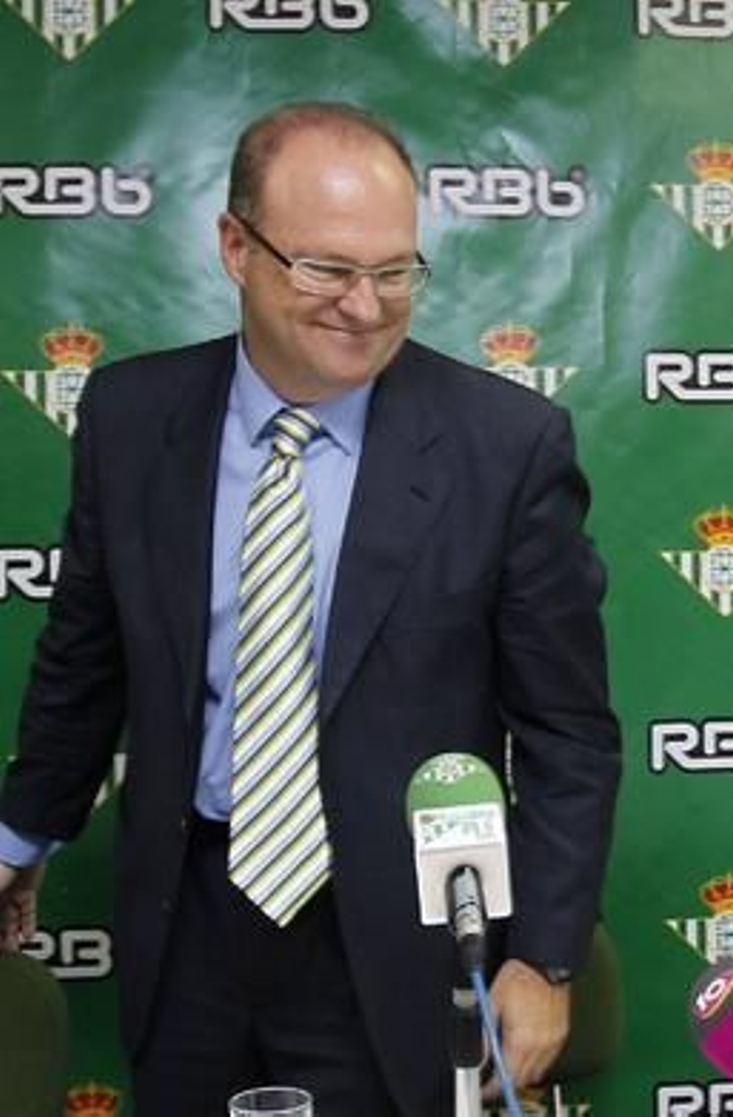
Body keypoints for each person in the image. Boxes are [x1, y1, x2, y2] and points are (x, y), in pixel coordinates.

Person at [0, 101, 622, 1115]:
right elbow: (87, 657)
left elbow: (568, 732)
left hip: (396, 948)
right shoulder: (128, 419)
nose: (366, 307)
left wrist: (545, 960)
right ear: (236, 247)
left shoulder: (505, 448)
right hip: (189, 923)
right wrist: (19, 838)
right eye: (327, 270)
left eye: (394, 272)